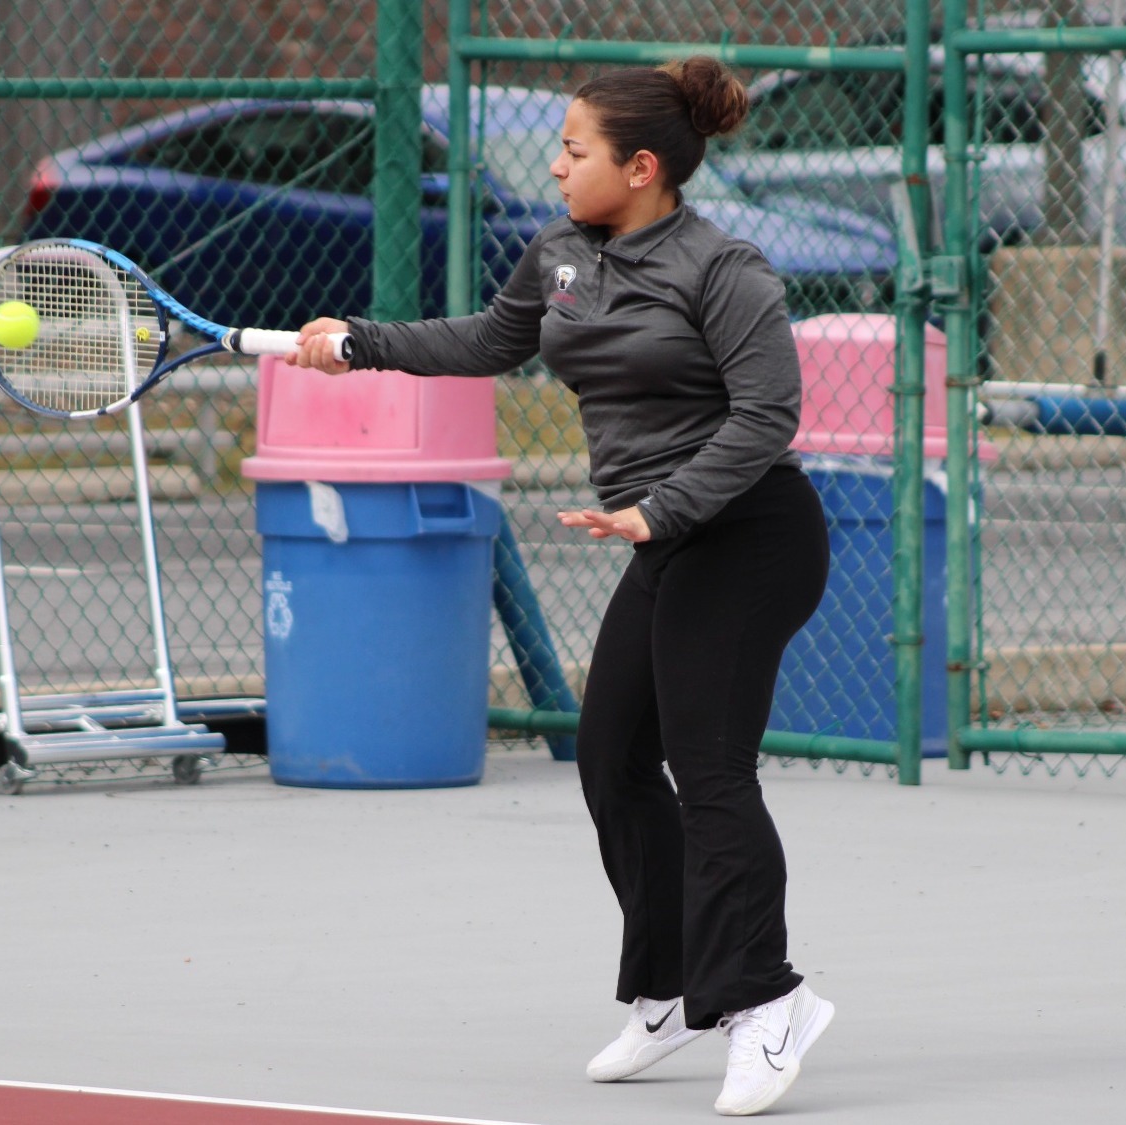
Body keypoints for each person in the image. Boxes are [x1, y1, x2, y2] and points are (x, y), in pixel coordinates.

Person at [283, 56, 833, 1117]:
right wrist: (361, 345)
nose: (555, 165)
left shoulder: (727, 271)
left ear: (638, 168)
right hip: (665, 538)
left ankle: (769, 1003)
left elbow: (766, 422)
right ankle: (672, 988)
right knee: (611, 757)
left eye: (573, 151)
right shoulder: (561, 254)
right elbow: (492, 341)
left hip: (750, 535)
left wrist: (660, 508)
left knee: (707, 769)